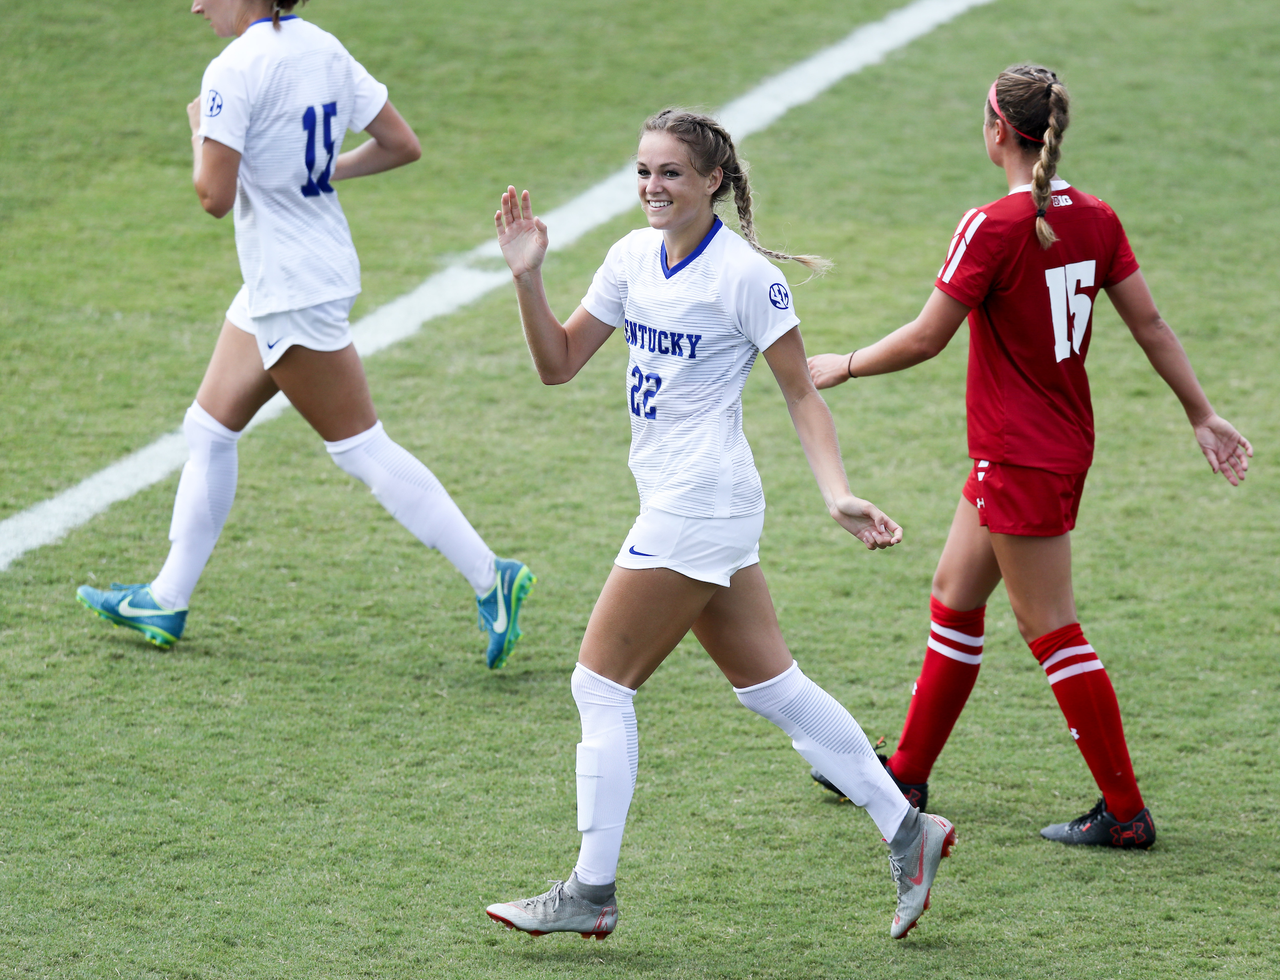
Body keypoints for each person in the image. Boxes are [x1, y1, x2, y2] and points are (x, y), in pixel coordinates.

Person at [482, 109, 957, 942]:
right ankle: (908, 828)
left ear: (712, 181)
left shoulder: (742, 277)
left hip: (698, 505)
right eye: (642, 172)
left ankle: (592, 891)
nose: (651, 187)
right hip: (689, 504)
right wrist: (528, 278)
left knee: (599, 685)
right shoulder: (630, 257)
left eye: (669, 173)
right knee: (772, 688)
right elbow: (558, 366)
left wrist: (836, 491)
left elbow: (802, 391)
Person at [807, 64, 1252, 849]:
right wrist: (1201, 412)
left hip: (1020, 455)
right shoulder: (1097, 218)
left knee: (1050, 627)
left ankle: (1124, 812)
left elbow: (926, 336)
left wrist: (841, 364)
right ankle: (905, 770)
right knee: (953, 592)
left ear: (998, 130)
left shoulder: (995, 224)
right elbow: (1150, 326)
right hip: (1048, 443)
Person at [75, 0, 534, 669]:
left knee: (360, 448)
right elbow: (402, 143)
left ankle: (493, 576)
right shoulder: (322, 45)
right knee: (209, 429)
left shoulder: (233, 68)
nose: (197, 4)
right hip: (290, 278)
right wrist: (322, 172)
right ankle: (166, 597)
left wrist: (200, 131)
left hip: (290, 288)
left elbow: (213, 196)